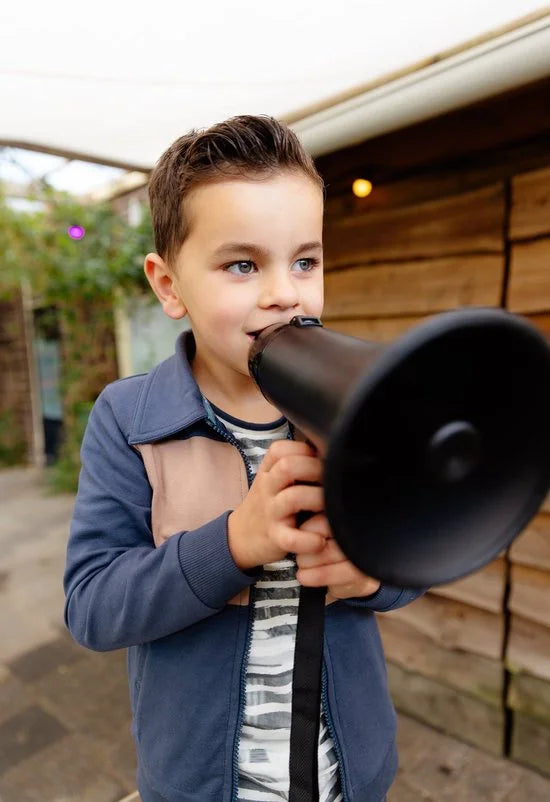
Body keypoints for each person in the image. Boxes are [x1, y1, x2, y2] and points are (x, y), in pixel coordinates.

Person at [64, 114, 424, 802]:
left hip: (347, 782)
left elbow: (420, 553)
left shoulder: (353, 402)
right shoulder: (129, 419)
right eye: (241, 264)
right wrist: (232, 542)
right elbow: (93, 607)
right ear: (169, 286)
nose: (284, 292)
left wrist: (370, 576)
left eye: (305, 261)